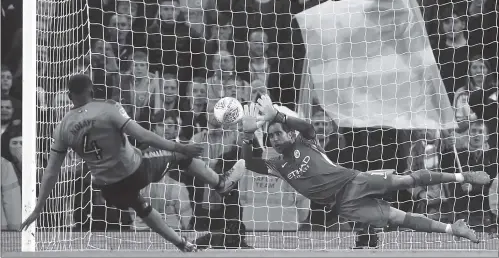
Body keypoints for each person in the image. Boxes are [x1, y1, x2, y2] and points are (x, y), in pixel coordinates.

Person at [21, 74, 247, 252]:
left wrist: (38, 209)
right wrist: (180, 147)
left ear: (69, 96)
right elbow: (144, 135)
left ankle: (181, 243)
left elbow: (51, 171)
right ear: (92, 90)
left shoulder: (61, 127)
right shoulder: (107, 107)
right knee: (181, 156)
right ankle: (221, 183)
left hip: (108, 189)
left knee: (141, 206)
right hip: (136, 170)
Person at [240, 95, 492, 243]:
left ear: (288, 133)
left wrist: (280, 116)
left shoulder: (304, 141)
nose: (273, 139)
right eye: (270, 136)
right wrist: (247, 135)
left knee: (405, 181)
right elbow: (250, 162)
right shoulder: (278, 164)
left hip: (353, 181)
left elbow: (307, 127)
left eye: (277, 134)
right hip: (343, 206)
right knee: (396, 218)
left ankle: (463, 175)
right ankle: (453, 229)